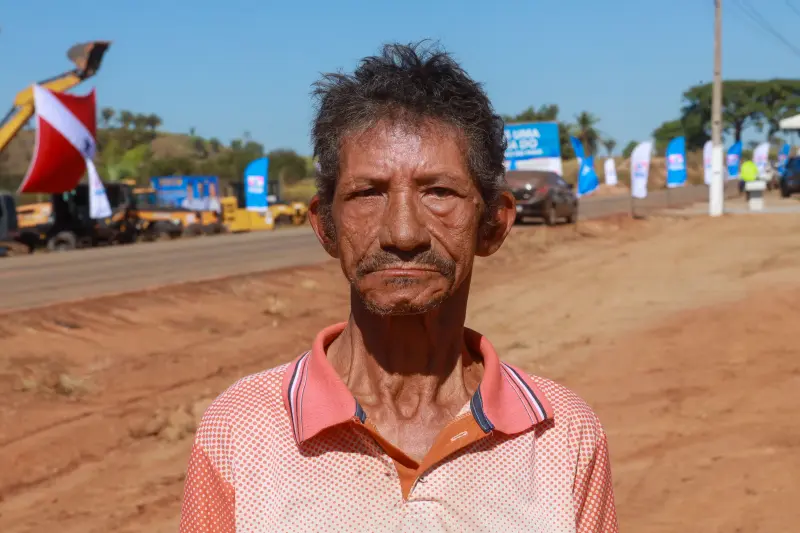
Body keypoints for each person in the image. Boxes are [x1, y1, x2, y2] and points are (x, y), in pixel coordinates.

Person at [179, 42, 618, 533]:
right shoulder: (243, 428)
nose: (402, 233)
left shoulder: (561, 435)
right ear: (325, 226)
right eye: (367, 194)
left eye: (439, 192)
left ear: (492, 225)